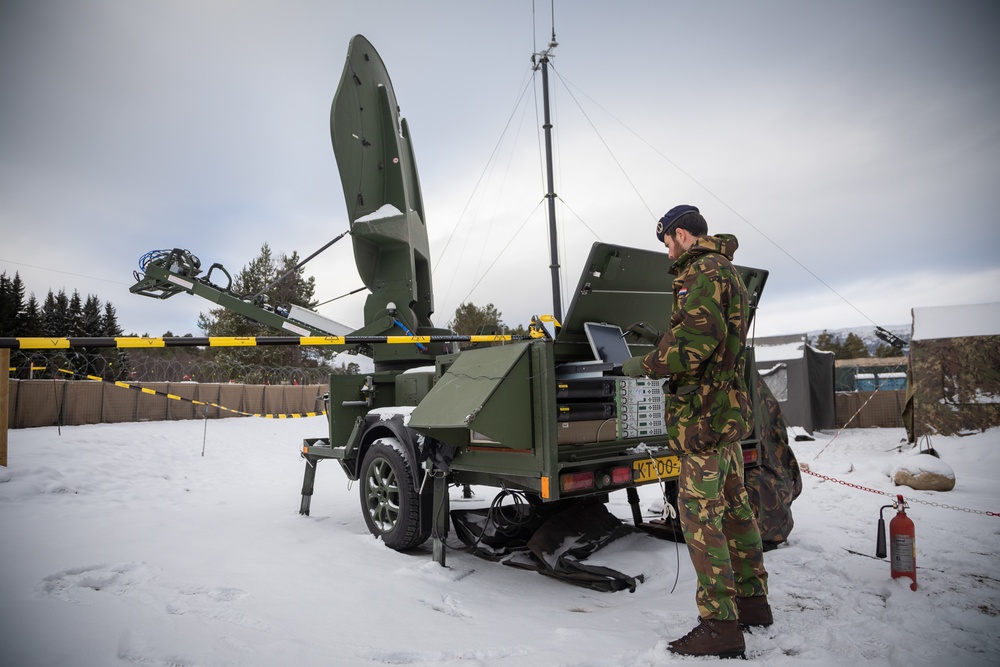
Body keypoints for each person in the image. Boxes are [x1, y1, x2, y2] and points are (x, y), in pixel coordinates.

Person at [621, 204, 771, 659]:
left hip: (703, 418)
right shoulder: (727, 270)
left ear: (682, 235)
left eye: (667, 242)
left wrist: (644, 365)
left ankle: (720, 626)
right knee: (736, 511)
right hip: (724, 415)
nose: (668, 252)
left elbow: (693, 344)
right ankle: (752, 604)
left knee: (701, 520)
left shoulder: (700, 272)